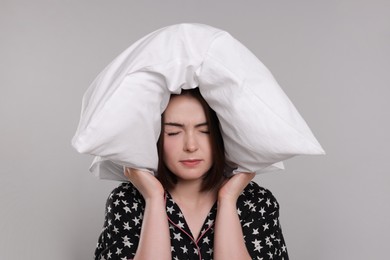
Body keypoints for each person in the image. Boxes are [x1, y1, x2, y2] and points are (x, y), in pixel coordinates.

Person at [94, 88, 289, 260]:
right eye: (173, 133)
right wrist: (153, 198)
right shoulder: (127, 201)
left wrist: (228, 200)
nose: (191, 146)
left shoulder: (257, 202)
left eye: (205, 131)